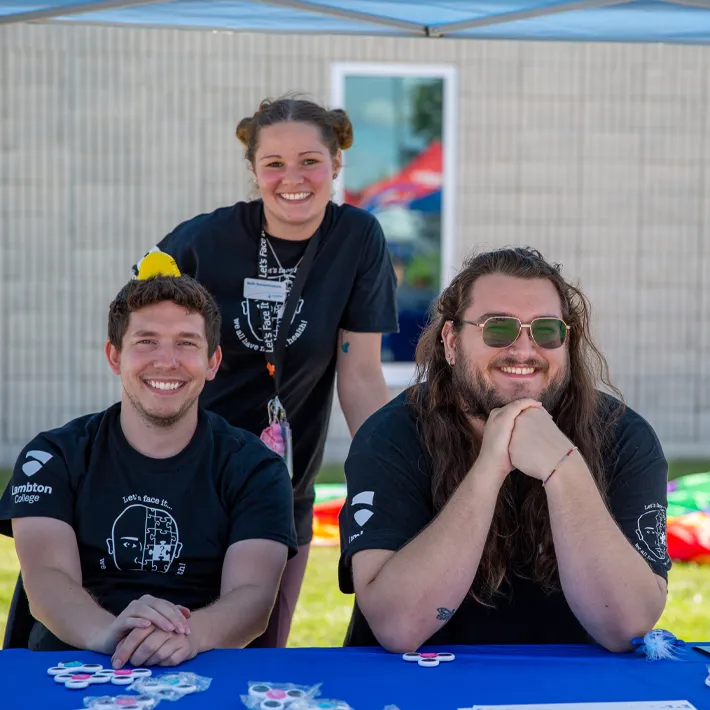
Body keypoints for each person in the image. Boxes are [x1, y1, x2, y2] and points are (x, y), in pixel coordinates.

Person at [132, 96, 399, 647]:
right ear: (253, 170)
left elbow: (360, 374)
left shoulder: (357, 239)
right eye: (273, 163)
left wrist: (392, 467)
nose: (291, 178)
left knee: (261, 643)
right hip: (190, 473)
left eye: (309, 161)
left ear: (336, 165)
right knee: (175, 636)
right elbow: (140, 348)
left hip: (284, 477)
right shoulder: (201, 240)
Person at [338, 247, 670, 652]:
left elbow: (627, 626)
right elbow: (398, 626)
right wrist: (489, 468)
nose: (524, 351)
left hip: (568, 693)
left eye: (546, 330)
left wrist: (563, 469)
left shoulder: (623, 438)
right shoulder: (391, 437)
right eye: (498, 329)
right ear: (451, 341)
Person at [0, 273, 297, 667]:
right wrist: (112, 634)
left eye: (186, 343)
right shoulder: (52, 456)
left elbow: (253, 595)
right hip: (72, 665)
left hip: (201, 666)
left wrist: (189, 639)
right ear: (114, 356)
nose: (167, 361)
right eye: (147, 341)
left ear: (213, 362)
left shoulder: (256, 468)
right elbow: (48, 580)